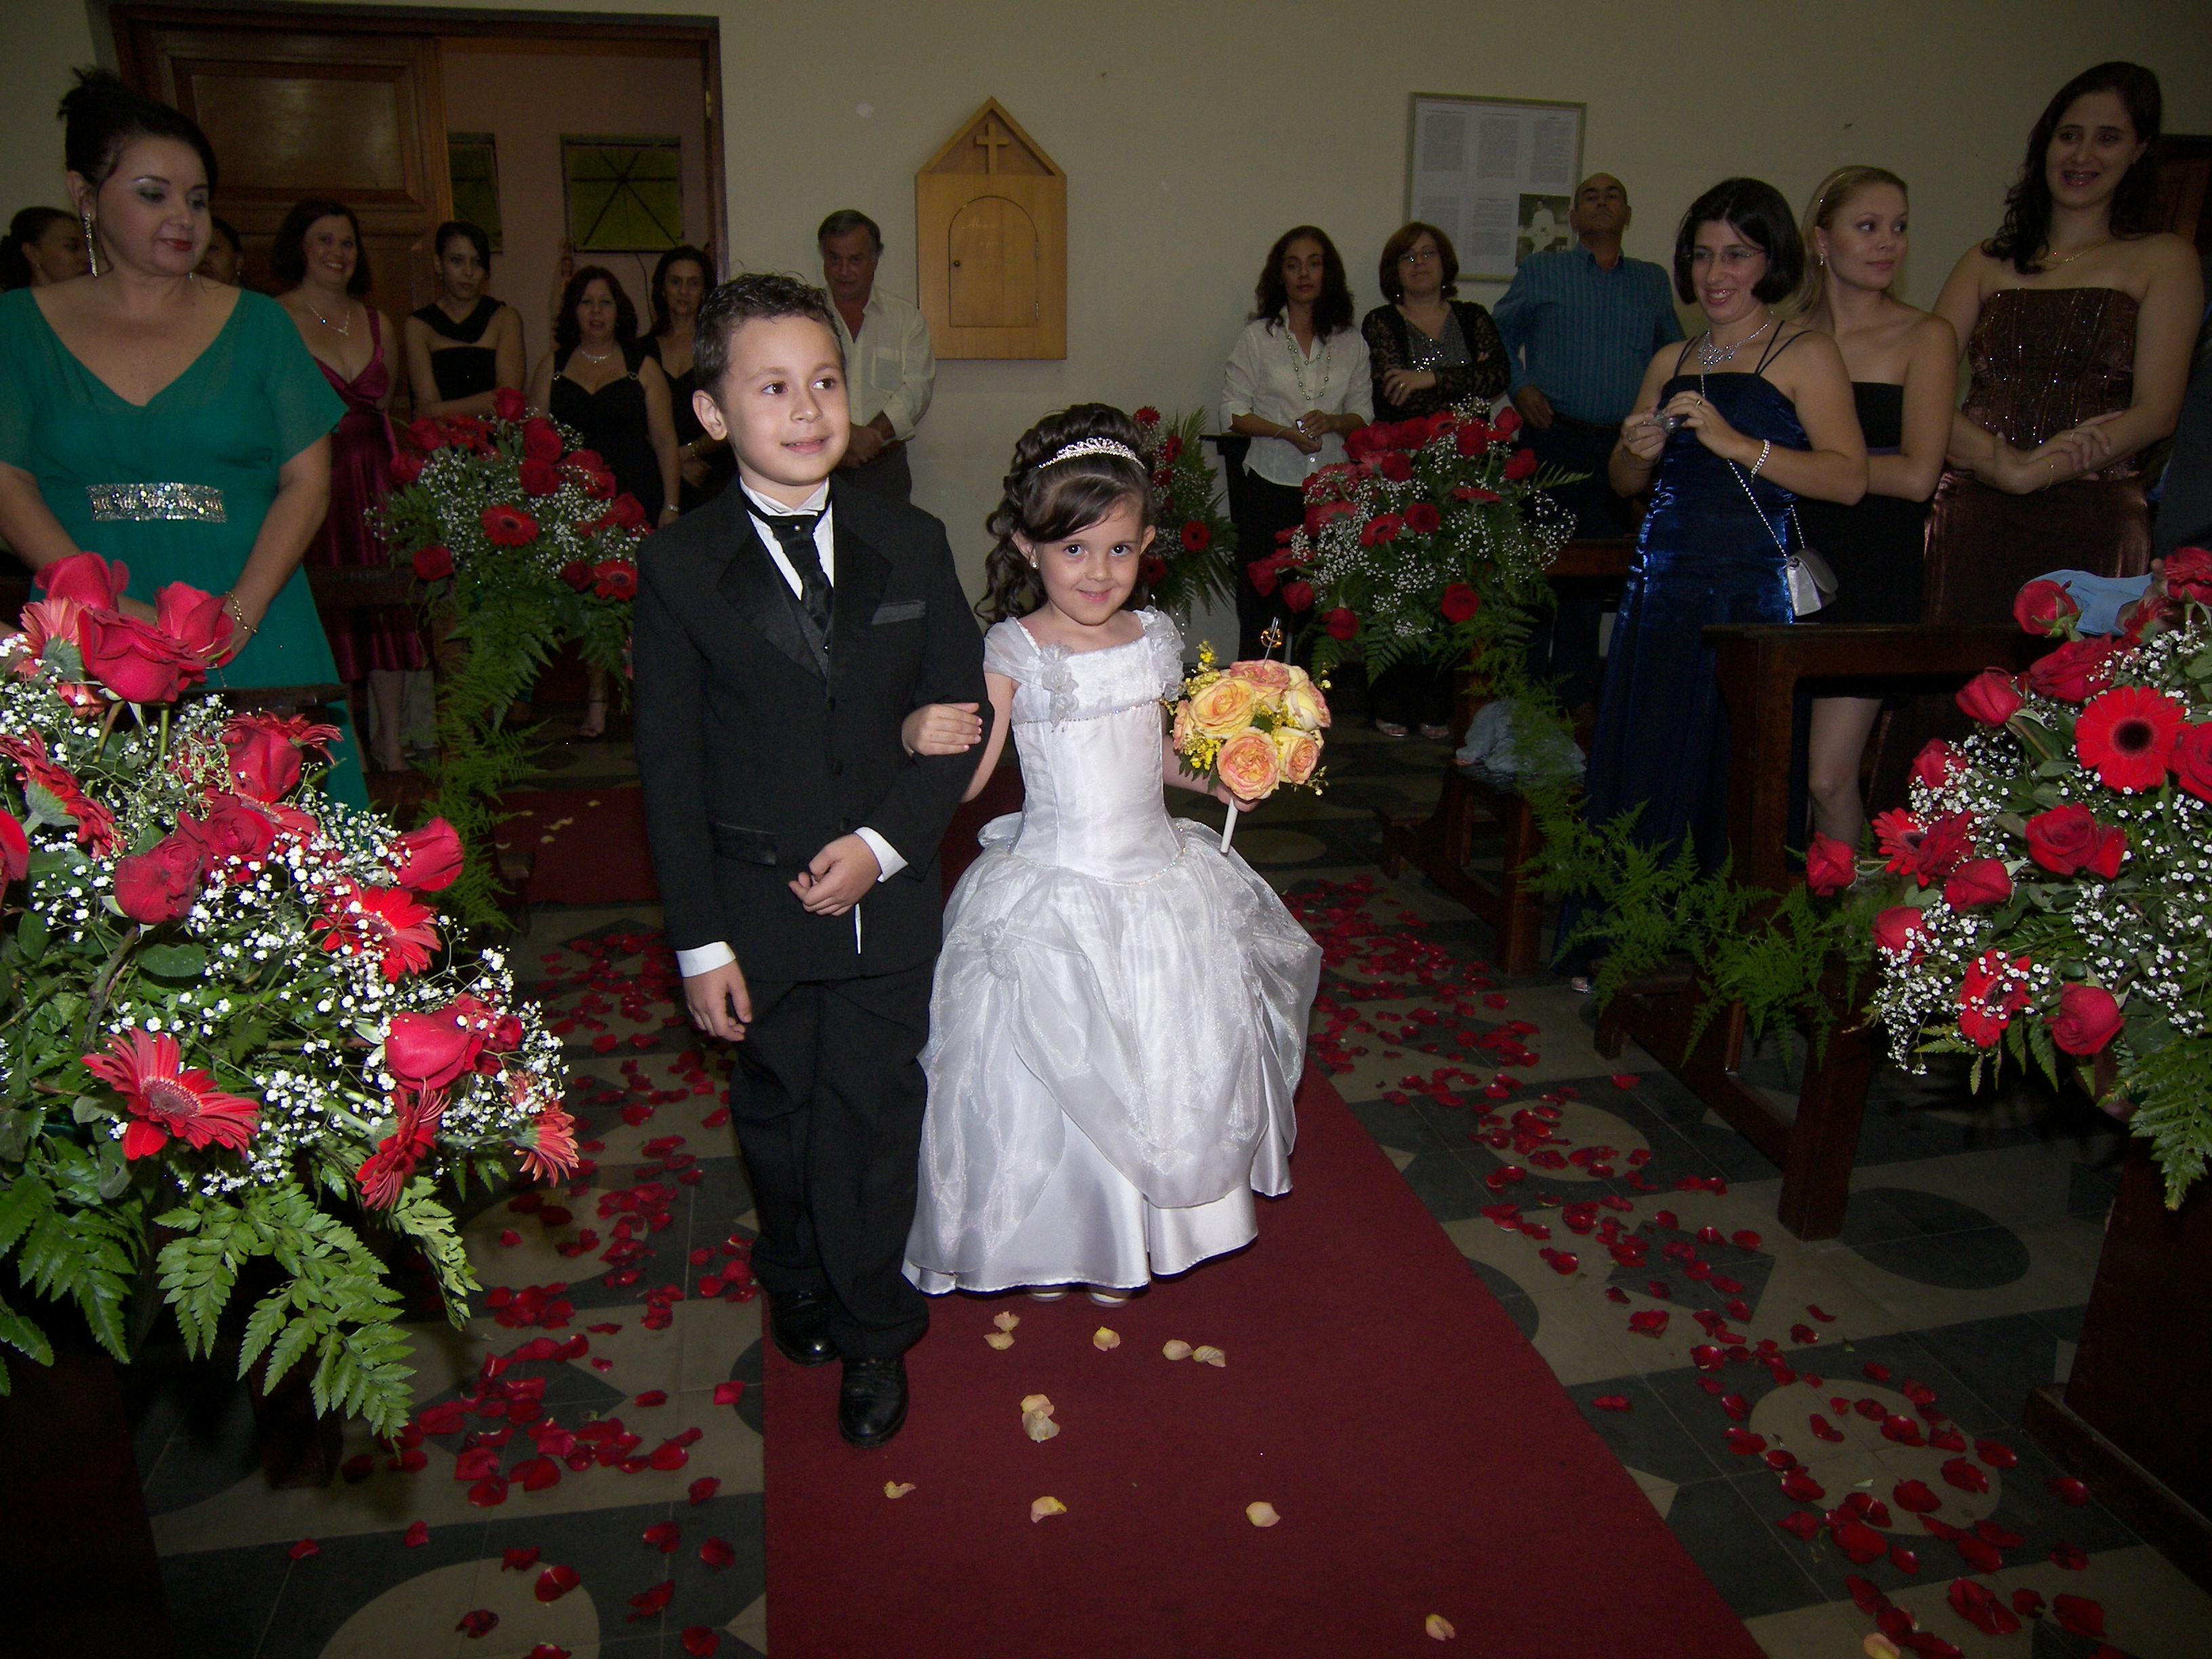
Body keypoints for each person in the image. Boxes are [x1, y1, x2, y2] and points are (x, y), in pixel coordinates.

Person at [632, 272, 987, 1449]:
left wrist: (883, 845)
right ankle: (791, 1263)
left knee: (876, 1111)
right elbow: (669, 769)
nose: (805, 409)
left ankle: (877, 1327)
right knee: (778, 1108)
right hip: (757, 903)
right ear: (711, 412)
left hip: (889, 897)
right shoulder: (679, 566)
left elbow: (957, 717)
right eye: (772, 387)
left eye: (824, 382)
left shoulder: (911, 540)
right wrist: (699, 943)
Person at [897, 403, 1320, 1303]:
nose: (1099, 572)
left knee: (1153, 1060)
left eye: (1120, 549)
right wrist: (916, 732)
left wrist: (1220, 780)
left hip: (1158, 877)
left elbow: (1158, 755)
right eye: (1075, 549)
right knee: (1052, 1067)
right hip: (1057, 884)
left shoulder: (1153, 637)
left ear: (1148, 544)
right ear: (1028, 547)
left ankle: (1132, 1232)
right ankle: (1051, 1238)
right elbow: (972, 781)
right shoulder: (1013, 647)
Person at [0, 70, 367, 806]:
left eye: (197, 200)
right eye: (153, 194)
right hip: (86, 631)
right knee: (102, 841)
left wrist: (237, 615)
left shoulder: (260, 324)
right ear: (84, 195)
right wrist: (106, 609)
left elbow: (307, 481)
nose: (183, 218)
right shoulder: (18, 325)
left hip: (253, 616)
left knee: (282, 844)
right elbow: (7, 483)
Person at [1561, 178, 1865, 986]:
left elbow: (1848, 479)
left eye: (1737, 254)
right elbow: (1625, 485)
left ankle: (1723, 949)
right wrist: (1636, 452)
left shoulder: (1806, 352)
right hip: (1662, 587)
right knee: (1648, 758)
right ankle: (1625, 937)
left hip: (1751, 596)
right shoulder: (1672, 359)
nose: (1715, 273)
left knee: (1733, 770)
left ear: (1772, 260)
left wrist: (1737, 443)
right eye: (1702, 255)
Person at [1926, 62, 2202, 621]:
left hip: (2094, 518)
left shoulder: (2165, 259)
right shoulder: (1984, 261)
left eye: (2108, 138)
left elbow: (2156, 412)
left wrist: (2037, 472)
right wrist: (2000, 466)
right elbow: (1920, 389)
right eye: (2070, 136)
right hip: (1974, 513)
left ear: (2139, 151)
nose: (2082, 156)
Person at [1791, 167, 1957, 846]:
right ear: (1821, 239)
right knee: (1776, 772)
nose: (1890, 242)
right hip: (1787, 557)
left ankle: (1856, 910)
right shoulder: (1784, 333)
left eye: (1900, 227)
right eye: (1869, 226)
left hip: (1872, 566)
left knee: (1829, 778)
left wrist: (1810, 468)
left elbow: (1919, 475)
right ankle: (1786, 905)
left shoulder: (1925, 336)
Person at [1494, 173, 1685, 712]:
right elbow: (1498, 334)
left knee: (1592, 577)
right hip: (1552, 440)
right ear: (1574, 218)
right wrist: (1520, 385)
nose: (1602, 203)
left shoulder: (1650, 281)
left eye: (1613, 195)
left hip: (1619, 455)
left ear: (1628, 215)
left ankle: (1573, 698)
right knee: (1536, 575)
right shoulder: (1542, 270)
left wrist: (1662, 424)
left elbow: (1675, 353)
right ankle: (1523, 701)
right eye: (1590, 197)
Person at [272, 197, 422, 775]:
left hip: (377, 479)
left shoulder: (378, 322)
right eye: (325, 241)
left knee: (389, 613)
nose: (338, 252)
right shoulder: (275, 318)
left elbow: (384, 409)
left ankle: (392, 740)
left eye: (347, 242)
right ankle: (346, 743)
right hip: (315, 480)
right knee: (332, 616)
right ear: (301, 248)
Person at [1361, 220, 1510, 737]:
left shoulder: (1472, 317)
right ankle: (1395, 699)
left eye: (1429, 254)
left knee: (1456, 584)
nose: (1420, 263)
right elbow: (1392, 394)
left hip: (1469, 469)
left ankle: (1441, 702)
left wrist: (1428, 377)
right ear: (1394, 270)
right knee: (1402, 583)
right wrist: (1458, 384)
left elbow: (1497, 376)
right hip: (1404, 468)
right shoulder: (1381, 322)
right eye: (1409, 256)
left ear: (1445, 264)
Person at [529, 265, 679, 737]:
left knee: (639, 611)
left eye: (605, 302)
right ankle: (597, 700)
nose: (596, 312)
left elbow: (665, 440)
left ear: (620, 310)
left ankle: (643, 703)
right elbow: (532, 442)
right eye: (586, 302)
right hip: (574, 506)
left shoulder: (642, 367)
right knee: (592, 609)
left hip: (634, 500)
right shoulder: (552, 367)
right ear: (572, 311)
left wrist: (671, 505)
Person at [1222, 226, 1372, 663]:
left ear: (1329, 273)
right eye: (1293, 265)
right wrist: (1283, 431)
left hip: (1330, 496)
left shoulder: (1351, 341)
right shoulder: (1259, 338)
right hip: (1270, 488)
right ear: (1280, 276)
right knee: (1263, 613)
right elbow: (1231, 413)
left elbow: (1364, 414)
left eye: (1314, 263)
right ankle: (1256, 701)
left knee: (1316, 614)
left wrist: (1335, 421)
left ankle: (1309, 701)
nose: (1304, 274)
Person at [818, 209, 934, 503]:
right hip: (816, 464)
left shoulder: (906, 320)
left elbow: (916, 390)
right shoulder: (803, 318)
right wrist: (843, 438)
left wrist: (868, 438)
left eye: (855, 260)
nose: (844, 271)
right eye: (835, 259)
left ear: (875, 259)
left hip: (884, 468)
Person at [640, 244, 732, 513]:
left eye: (693, 283)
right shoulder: (640, 351)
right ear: (662, 288)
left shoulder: (722, 347)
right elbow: (634, 424)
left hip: (713, 477)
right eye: (675, 282)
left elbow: (737, 417)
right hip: (655, 480)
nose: (683, 291)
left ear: (704, 291)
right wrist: (675, 464)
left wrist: (686, 453)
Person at [403, 220, 525, 420]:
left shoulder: (505, 318)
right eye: (457, 261)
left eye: (476, 262)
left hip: (497, 438)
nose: (468, 272)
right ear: (439, 264)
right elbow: (427, 409)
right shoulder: (419, 325)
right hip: (443, 438)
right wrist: (437, 412)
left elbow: (508, 399)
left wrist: (439, 410)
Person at [1, 205, 88, 289]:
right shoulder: (12, 300)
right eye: (72, 247)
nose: (86, 258)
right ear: (33, 253)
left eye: (87, 248)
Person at [196, 215, 243, 287]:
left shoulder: (254, 294)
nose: (203, 259)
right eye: (197, 251)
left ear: (238, 260)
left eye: (212, 249)